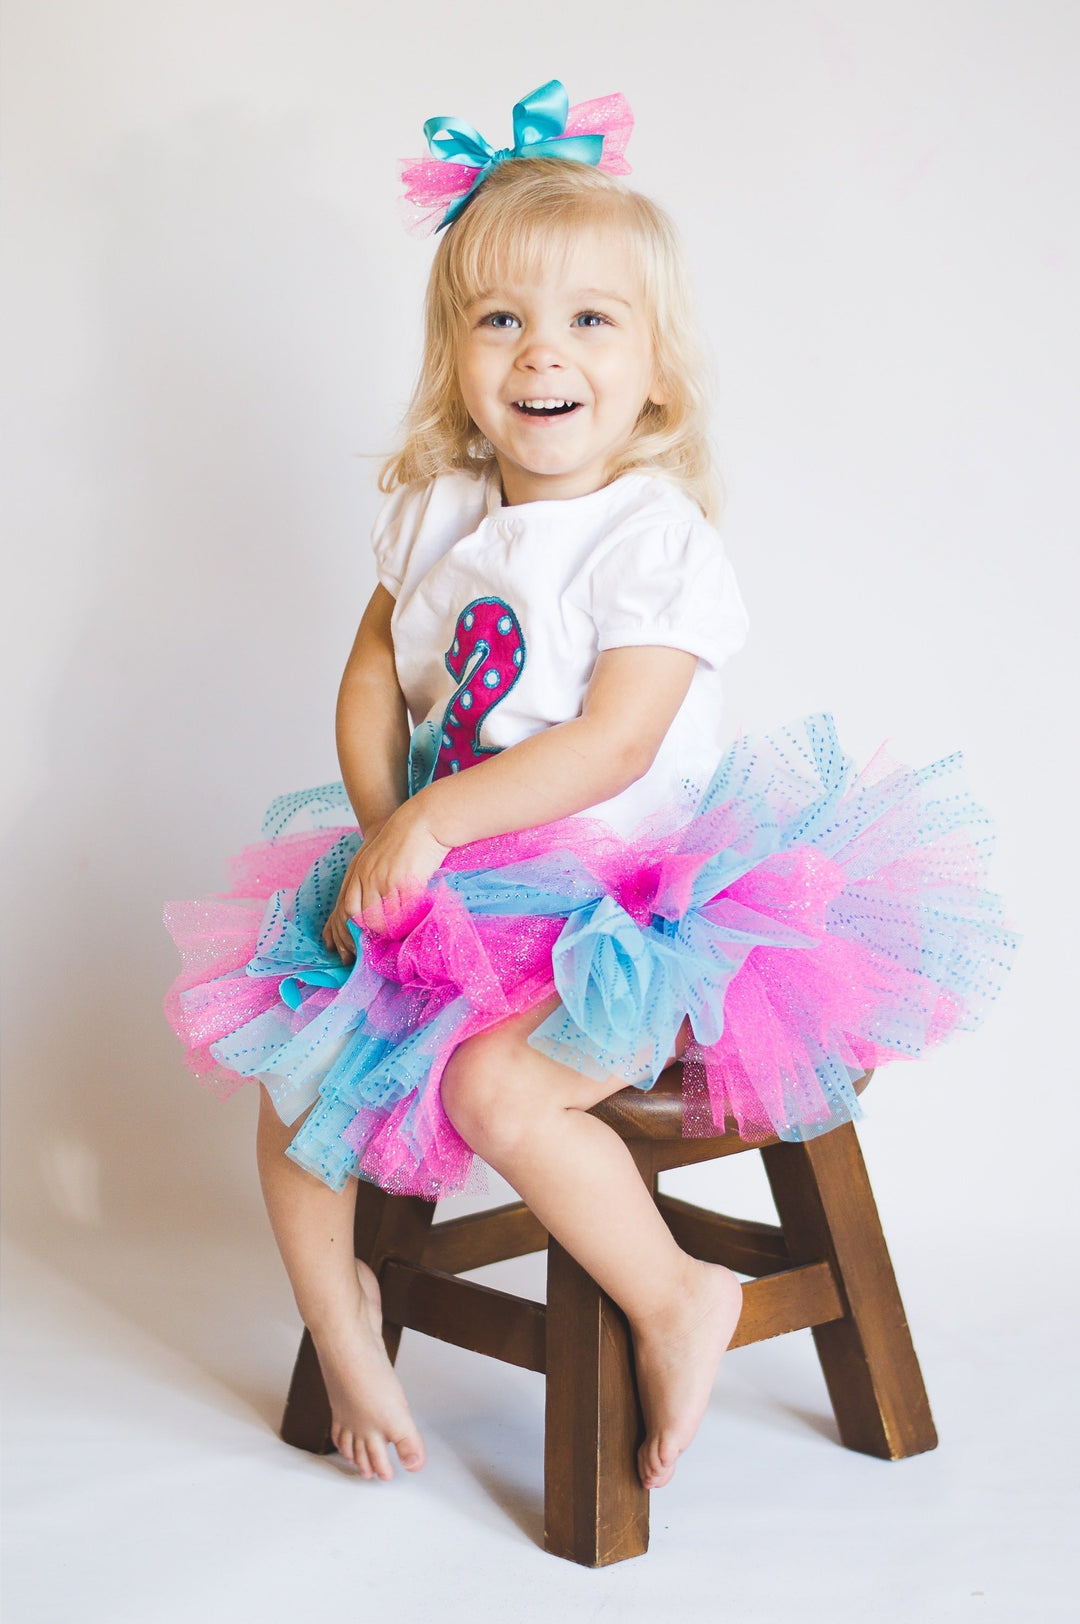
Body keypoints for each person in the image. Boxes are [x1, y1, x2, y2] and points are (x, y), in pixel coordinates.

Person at [164, 81, 1015, 1496]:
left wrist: (439, 819)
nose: (540, 352)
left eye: (588, 322)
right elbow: (376, 675)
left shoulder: (650, 537)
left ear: (656, 375)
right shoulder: (438, 514)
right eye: (500, 319)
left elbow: (615, 742)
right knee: (287, 1068)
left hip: (623, 910)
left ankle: (681, 1293)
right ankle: (345, 1324)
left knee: (507, 1094)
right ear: (453, 359)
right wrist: (388, 824)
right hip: (446, 885)